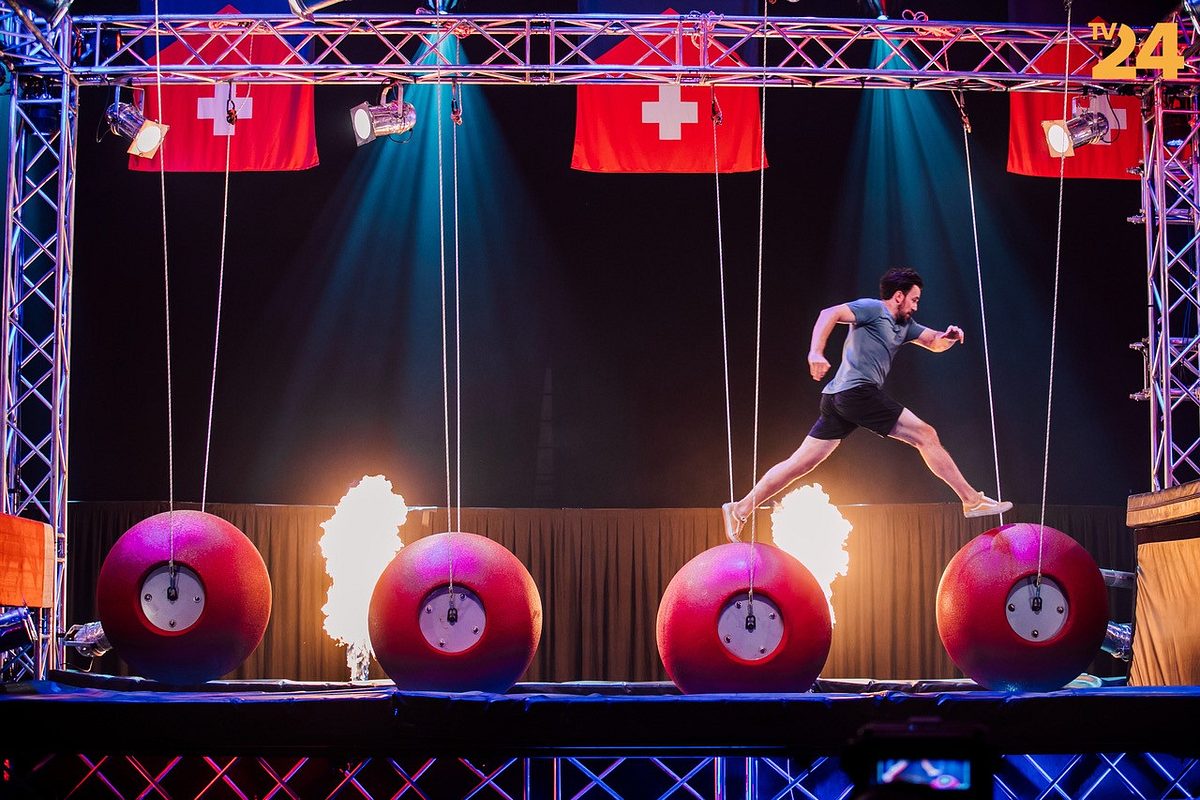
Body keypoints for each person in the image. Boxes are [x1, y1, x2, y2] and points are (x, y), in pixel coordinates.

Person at [721, 267, 1011, 543]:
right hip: (855, 393)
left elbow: (933, 341)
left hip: (839, 399)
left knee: (798, 464)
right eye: (914, 299)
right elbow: (829, 313)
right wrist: (815, 352)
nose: (916, 306)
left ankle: (740, 508)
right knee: (926, 435)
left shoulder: (905, 325)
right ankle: (971, 500)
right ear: (898, 296)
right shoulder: (873, 309)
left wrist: (948, 337)